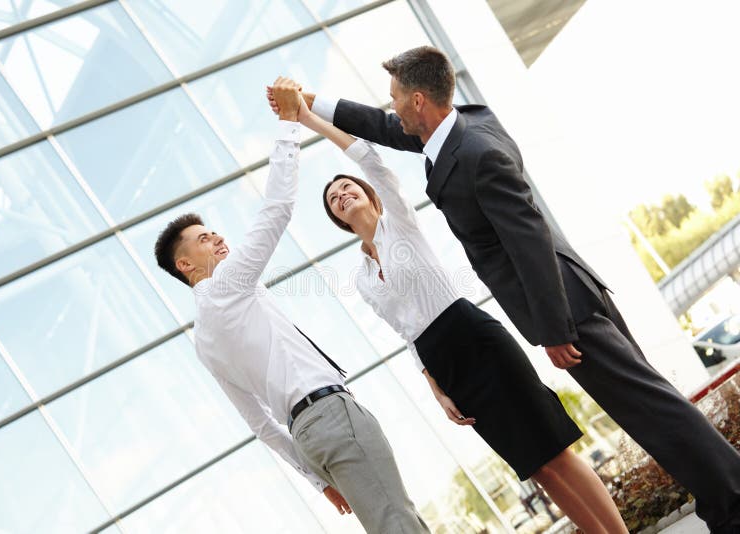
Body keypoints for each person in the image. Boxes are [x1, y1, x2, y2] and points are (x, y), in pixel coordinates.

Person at [270, 47, 740, 533]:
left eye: (394, 99)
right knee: (646, 411)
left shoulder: (476, 154)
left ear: (416, 101)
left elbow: (530, 238)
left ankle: (731, 503)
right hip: (566, 296)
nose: (390, 109)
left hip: (566, 307)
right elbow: (383, 129)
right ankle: (722, 502)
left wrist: (555, 329)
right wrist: (309, 103)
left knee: (651, 410)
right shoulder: (461, 128)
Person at [286, 86, 628, 533]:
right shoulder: (362, 277)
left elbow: (370, 158)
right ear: (337, 219)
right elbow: (406, 333)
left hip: (473, 335)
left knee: (555, 448)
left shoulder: (399, 223)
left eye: (346, 187)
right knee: (535, 467)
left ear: (368, 195)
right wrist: (435, 388)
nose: (341, 195)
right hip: (444, 363)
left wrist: (309, 120)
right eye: (333, 199)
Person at [154, 78, 429, 533]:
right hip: (330, 415)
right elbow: (278, 207)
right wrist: (288, 123)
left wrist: (317, 481)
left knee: (391, 522)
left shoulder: (203, 341)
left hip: (308, 437)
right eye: (205, 239)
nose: (219, 238)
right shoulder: (226, 286)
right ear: (186, 265)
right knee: (399, 522)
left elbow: (260, 425)